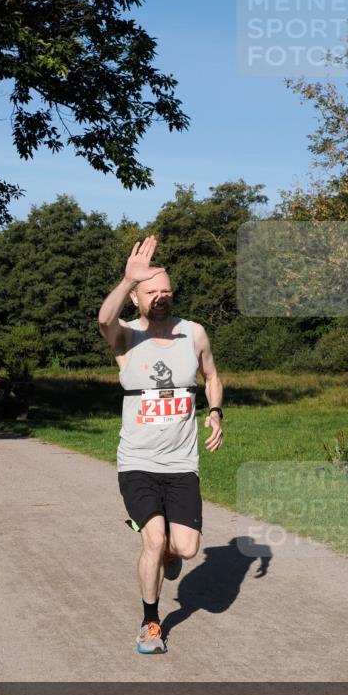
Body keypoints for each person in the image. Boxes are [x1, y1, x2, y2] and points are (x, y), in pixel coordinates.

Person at [98, 235, 224, 654]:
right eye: (151, 292)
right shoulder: (127, 338)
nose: (160, 297)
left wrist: (216, 411)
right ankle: (150, 623)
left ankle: (168, 552)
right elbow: (103, 320)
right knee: (153, 538)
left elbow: (211, 376)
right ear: (136, 298)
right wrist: (125, 278)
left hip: (182, 462)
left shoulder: (194, 334)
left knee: (185, 548)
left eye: (166, 290)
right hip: (136, 460)